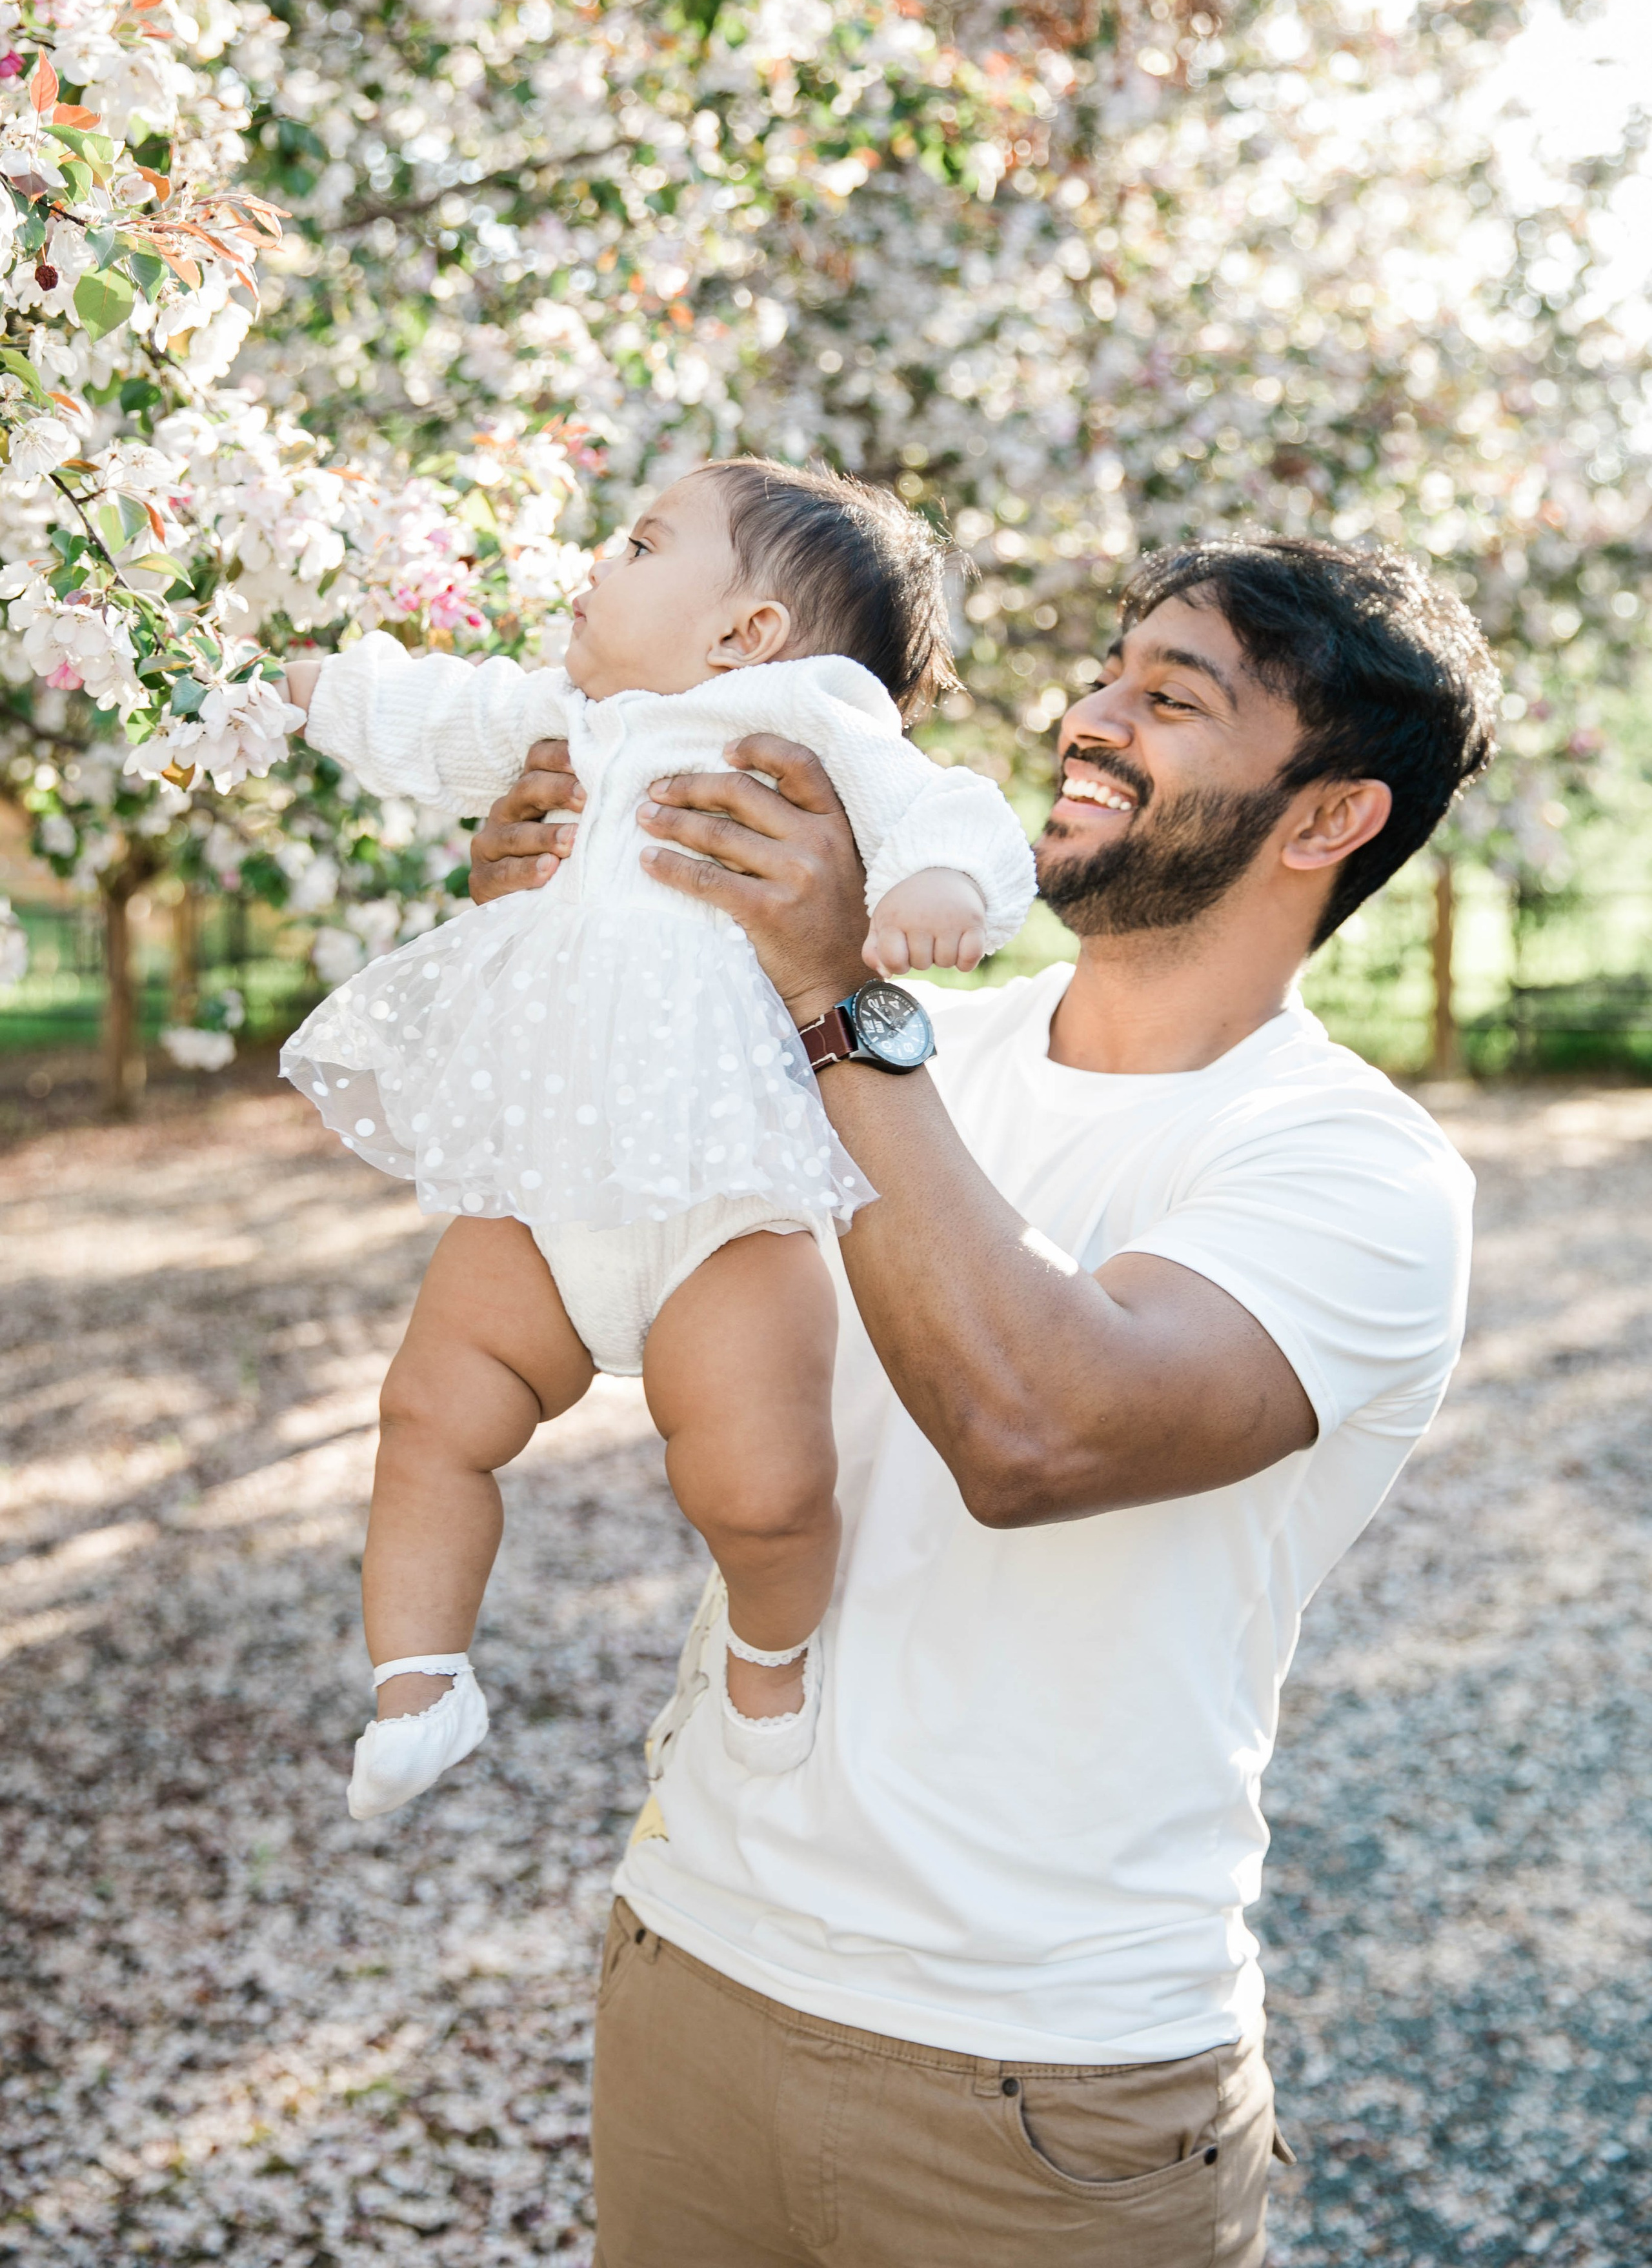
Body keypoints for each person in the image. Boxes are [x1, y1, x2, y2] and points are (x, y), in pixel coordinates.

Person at [466, 534, 1499, 2268]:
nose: (1088, 716)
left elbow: (1034, 1432)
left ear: (1329, 816)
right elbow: (596, 1255)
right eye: (1105, 672)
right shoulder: (916, 1042)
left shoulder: (1356, 1172)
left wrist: (829, 993)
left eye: (1172, 697)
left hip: (1044, 2089)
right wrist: (546, 929)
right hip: (688, 1969)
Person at [276, 458, 1034, 1821]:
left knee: (761, 1488)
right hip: (541, 1189)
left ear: (745, 632)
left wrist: (943, 881)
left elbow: (948, 803)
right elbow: (435, 716)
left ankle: (768, 1656)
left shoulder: (804, 714)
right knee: (429, 1415)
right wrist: (308, 687)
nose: (596, 563)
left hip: (724, 1205)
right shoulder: (563, 718)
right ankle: (419, 1682)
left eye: (638, 545)